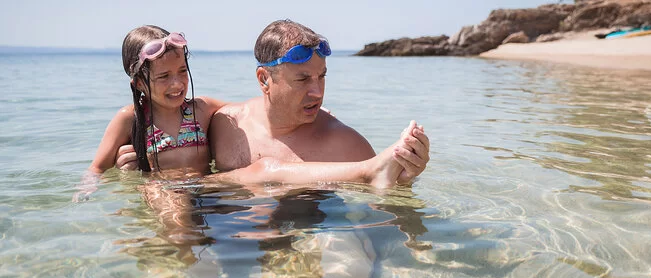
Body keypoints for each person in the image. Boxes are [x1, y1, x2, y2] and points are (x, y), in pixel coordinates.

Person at [74, 25, 427, 202]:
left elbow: (390, 199)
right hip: (184, 205)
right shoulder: (138, 121)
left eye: (321, 78)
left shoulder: (205, 111)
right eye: (303, 79)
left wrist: (406, 177)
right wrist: (118, 179)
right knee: (260, 172)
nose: (317, 92)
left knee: (263, 171)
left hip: (229, 205)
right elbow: (97, 168)